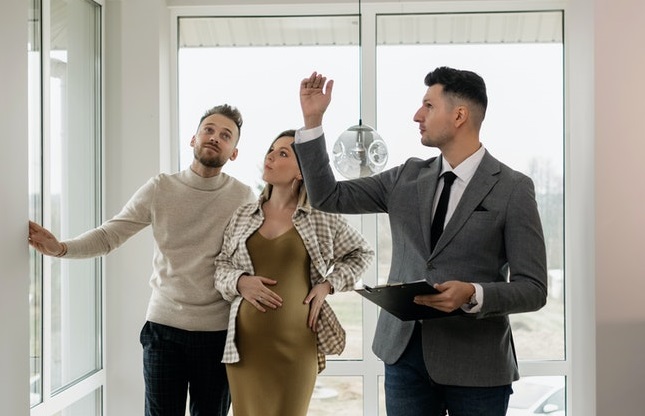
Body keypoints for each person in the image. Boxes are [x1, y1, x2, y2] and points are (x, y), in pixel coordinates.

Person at [293, 68, 548, 416]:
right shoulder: (405, 177)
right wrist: (312, 121)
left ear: (459, 115)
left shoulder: (513, 189)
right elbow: (327, 196)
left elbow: (533, 288)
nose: (417, 115)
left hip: (478, 366)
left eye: (428, 105)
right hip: (404, 358)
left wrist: (474, 293)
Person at [27, 104, 256, 416]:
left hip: (217, 334)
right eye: (209, 130)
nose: (215, 137)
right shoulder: (162, 187)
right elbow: (110, 234)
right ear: (193, 139)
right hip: (163, 329)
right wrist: (61, 249)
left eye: (226, 135)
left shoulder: (242, 197)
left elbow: (255, 255)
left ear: (234, 153)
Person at [213, 129, 374, 416]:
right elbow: (221, 267)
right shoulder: (242, 215)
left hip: (297, 347)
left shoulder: (321, 218)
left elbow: (362, 253)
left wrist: (328, 286)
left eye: (283, 153)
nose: (271, 156)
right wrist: (240, 282)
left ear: (301, 171)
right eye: (271, 150)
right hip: (244, 349)